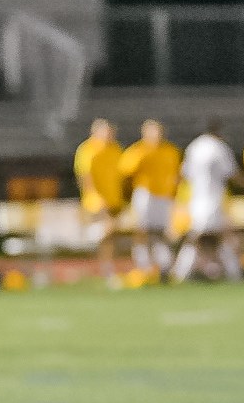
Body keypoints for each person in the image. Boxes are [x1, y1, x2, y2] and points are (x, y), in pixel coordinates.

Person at [171, 120, 242, 283]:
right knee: (215, 237)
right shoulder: (219, 147)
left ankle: (183, 273)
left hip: (196, 200)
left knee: (201, 237)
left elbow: (184, 174)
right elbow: (231, 173)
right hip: (213, 199)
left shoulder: (194, 147)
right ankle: (232, 273)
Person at [116, 119, 180, 285]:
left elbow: (175, 175)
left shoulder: (170, 151)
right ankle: (143, 265)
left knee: (161, 232)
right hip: (146, 194)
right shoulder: (138, 151)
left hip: (164, 195)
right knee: (142, 230)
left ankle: (164, 266)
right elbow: (125, 173)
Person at [72, 118, 126, 286]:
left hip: (114, 200)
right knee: (108, 231)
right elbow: (84, 177)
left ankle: (108, 268)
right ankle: (107, 271)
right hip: (96, 202)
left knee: (112, 236)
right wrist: (96, 198)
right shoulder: (88, 150)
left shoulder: (116, 149)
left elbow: (122, 175)